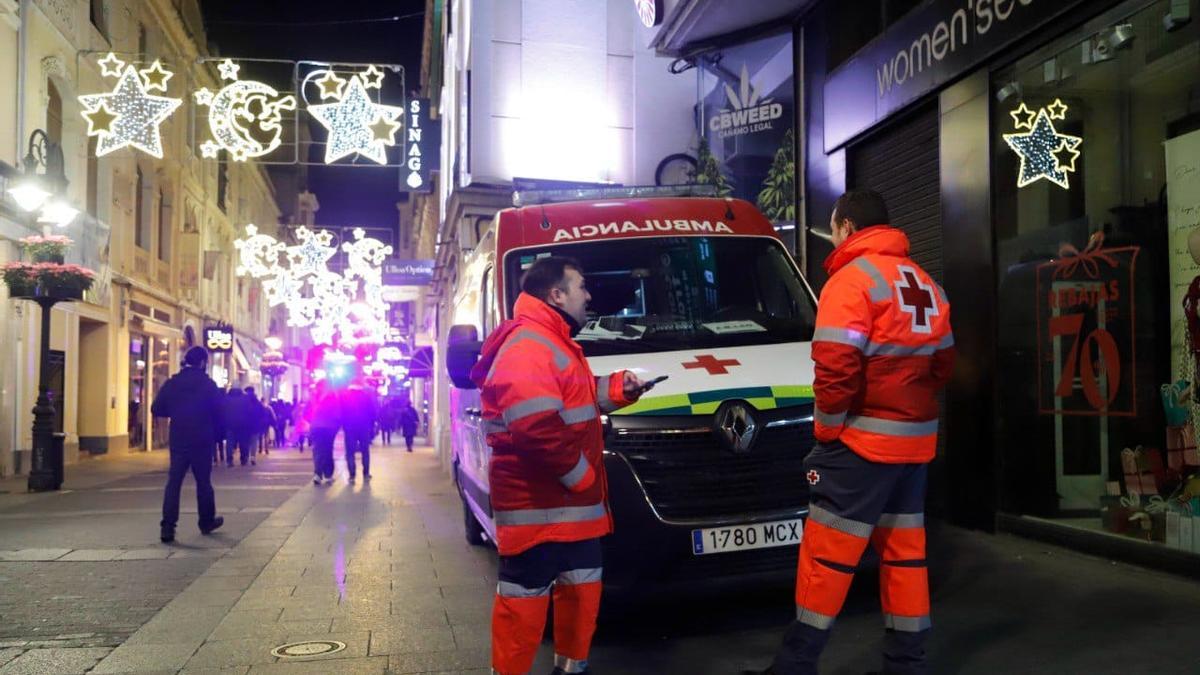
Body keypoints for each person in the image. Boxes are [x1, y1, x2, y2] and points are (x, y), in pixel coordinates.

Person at [746, 190, 956, 675]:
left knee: (827, 558)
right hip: (915, 446)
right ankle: (907, 665)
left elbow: (835, 368)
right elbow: (942, 366)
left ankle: (794, 667)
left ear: (845, 226)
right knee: (905, 557)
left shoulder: (851, 282)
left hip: (861, 446)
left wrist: (827, 429)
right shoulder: (927, 284)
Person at [471, 256, 648, 675]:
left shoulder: (549, 341)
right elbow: (536, 427)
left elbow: (571, 398)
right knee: (523, 616)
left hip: (567, 515)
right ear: (556, 294)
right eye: (581, 286)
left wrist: (620, 388)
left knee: (579, 604)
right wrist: (582, 477)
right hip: (542, 514)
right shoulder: (529, 345)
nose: (587, 295)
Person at [151, 346, 226, 543]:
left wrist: (176, 413)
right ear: (202, 363)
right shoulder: (208, 384)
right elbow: (219, 412)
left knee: (174, 482)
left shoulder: (173, 383)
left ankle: (167, 527)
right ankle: (206, 521)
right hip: (202, 437)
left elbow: (156, 408)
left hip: (179, 437)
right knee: (203, 482)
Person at [305, 380, 342, 484]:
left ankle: (317, 474)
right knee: (328, 450)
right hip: (329, 428)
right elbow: (337, 414)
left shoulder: (313, 398)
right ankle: (328, 474)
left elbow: (305, 413)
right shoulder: (333, 397)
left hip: (316, 427)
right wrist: (336, 427)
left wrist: (313, 422)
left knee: (317, 450)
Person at [341, 381, 378, 482]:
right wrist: (372, 424)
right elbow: (373, 412)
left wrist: (343, 424)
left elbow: (341, 412)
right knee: (365, 451)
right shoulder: (366, 397)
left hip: (349, 428)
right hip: (364, 427)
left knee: (350, 452)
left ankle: (352, 474)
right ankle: (366, 473)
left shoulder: (345, 396)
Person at [222, 388, 254, 467]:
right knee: (243, 442)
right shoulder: (245, 399)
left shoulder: (226, 399)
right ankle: (243, 459)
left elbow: (222, 411)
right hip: (243, 424)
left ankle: (229, 460)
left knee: (230, 443)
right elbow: (250, 411)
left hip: (230, 424)